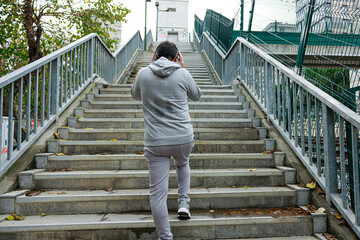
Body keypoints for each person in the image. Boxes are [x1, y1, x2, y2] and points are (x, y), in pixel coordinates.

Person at [131, 41, 201, 240]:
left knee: (157, 193)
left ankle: (165, 237)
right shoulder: (182, 73)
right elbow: (197, 96)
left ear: (155, 55)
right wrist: (182, 69)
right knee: (182, 163)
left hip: (156, 142)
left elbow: (135, 94)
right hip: (182, 138)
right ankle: (183, 203)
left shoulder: (143, 74)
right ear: (177, 56)